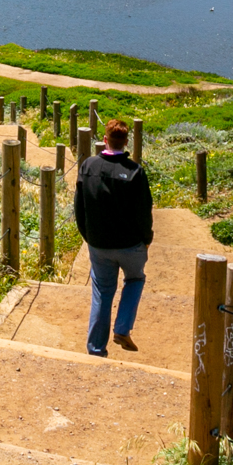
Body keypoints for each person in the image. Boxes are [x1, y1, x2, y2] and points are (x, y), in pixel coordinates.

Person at [73, 118, 153, 357]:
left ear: (105, 140)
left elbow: (79, 208)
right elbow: (143, 212)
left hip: (99, 243)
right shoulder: (135, 172)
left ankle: (96, 348)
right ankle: (122, 328)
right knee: (135, 279)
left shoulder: (88, 166)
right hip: (130, 244)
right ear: (126, 142)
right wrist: (146, 238)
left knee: (102, 291)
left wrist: (88, 236)